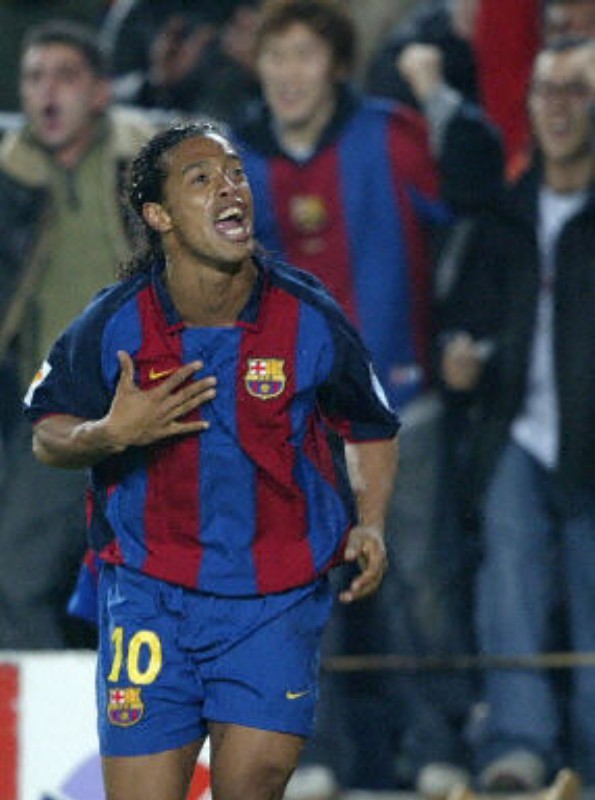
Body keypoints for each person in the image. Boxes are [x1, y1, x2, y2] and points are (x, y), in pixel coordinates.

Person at [23, 119, 400, 800]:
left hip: (274, 596)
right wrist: (109, 433)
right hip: (149, 594)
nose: (230, 188)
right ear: (159, 215)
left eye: (234, 174)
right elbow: (46, 431)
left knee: (252, 782)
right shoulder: (114, 322)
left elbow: (369, 423)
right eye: (201, 179)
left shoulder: (308, 316)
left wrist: (370, 522)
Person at [233, 0, 503, 795]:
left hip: (398, 402)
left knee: (419, 580)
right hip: (286, 417)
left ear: (338, 66)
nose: (287, 74)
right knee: (293, 588)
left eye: (304, 55)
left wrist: (441, 98)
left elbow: (471, 197)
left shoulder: (390, 134)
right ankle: (311, 756)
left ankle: (437, 746)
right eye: (275, 56)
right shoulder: (232, 159)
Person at [439, 37, 595, 789]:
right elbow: (462, 318)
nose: (558, 107)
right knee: (508, 584)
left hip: (589, 440)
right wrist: (458, 360)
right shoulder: (503, 215)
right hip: (515, 433)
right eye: (546, 91)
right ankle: (517, 744)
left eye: (577, 91)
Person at [0, 19, 155, 649]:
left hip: (155, 412)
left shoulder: (149, 165)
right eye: (34, 77)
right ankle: (59, 708)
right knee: (17, 580)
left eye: (65, 76)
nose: (47, 91)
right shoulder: (9, 179)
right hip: (52, 418)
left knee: (158, 585)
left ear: (100, 91)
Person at [101, 0, 263, 128]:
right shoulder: (141, 10)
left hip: (242, 132)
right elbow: (105, 91)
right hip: (154, 132)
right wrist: (157, 82)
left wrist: (259, 66)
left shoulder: (250, 8)